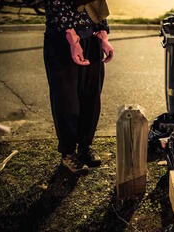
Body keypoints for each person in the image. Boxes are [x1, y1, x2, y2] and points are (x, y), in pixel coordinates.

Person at [43, 0, 114, 175]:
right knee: (66, 99)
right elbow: (56, 5)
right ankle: (68, 153)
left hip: (90, 38)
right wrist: (72, 39)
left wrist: (103, 36)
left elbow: (97, 3)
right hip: (62, 39)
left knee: (91, 94)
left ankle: (85, 146)